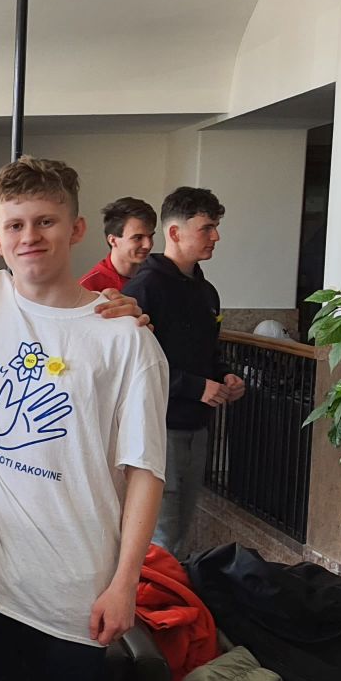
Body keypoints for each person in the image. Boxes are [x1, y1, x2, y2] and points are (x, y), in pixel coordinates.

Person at [0, 158, 168, 681]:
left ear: (77, 229)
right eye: (14, 225)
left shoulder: (125, 339)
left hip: (72, 592)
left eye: (45, 221)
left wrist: (125, 583)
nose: (29, 237)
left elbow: (146, 472)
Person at [121, 186, 243, 558]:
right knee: (160, 537)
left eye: (216, 227)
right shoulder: (144, 288)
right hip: (159, 427)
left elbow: (209, 352)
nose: (216, 236)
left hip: (197, 426)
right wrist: (194, 386)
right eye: (207, 228)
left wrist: (225, 376)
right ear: (175, 232)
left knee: (178, 532)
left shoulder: (207, 292)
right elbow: (131, 365)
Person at [77, 196, 156, 294]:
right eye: (138, 238)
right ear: (113, 240)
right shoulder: (87, 288)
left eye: (150, 236)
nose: (148, 245)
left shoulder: (155, 276)